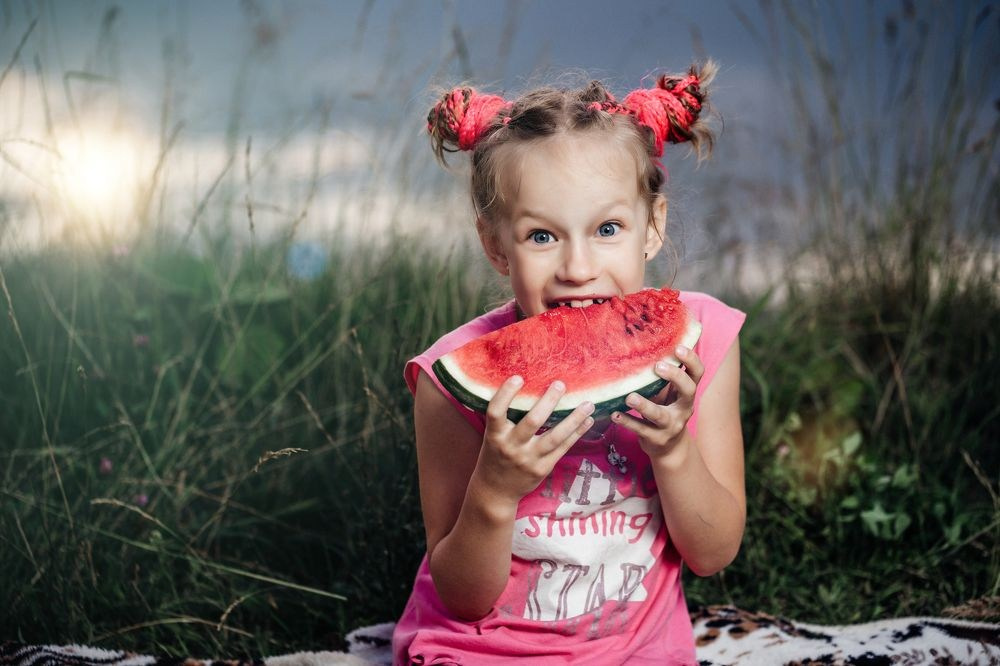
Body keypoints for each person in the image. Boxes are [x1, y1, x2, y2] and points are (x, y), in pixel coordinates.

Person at [392, 61, 746, 665]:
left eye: (608, 228)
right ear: (495, 244)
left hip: (640, 653)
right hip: (483, 652)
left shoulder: (704, 339)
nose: (578, 267)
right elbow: (463, 598)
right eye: (541, 236)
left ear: (651, 226)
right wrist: (495, 493)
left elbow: (712, 553)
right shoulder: (449, 380)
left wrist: (674, 450)